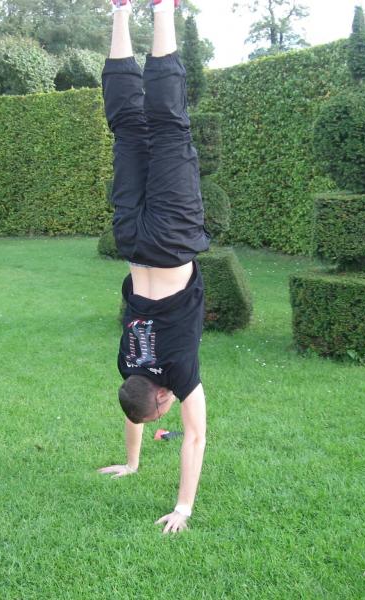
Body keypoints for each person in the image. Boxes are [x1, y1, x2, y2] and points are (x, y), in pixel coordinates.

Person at [96, 0, 211, 534]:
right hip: (132, 242)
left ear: (163, 397)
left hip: (170, 241)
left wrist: (183, 508)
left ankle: (163, 10)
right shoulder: (127, 365)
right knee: (126, 129)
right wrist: (132, 461)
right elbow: (132, 406)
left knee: (168, 128)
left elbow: (195, 436)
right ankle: (120, 13)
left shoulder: (178, 375)